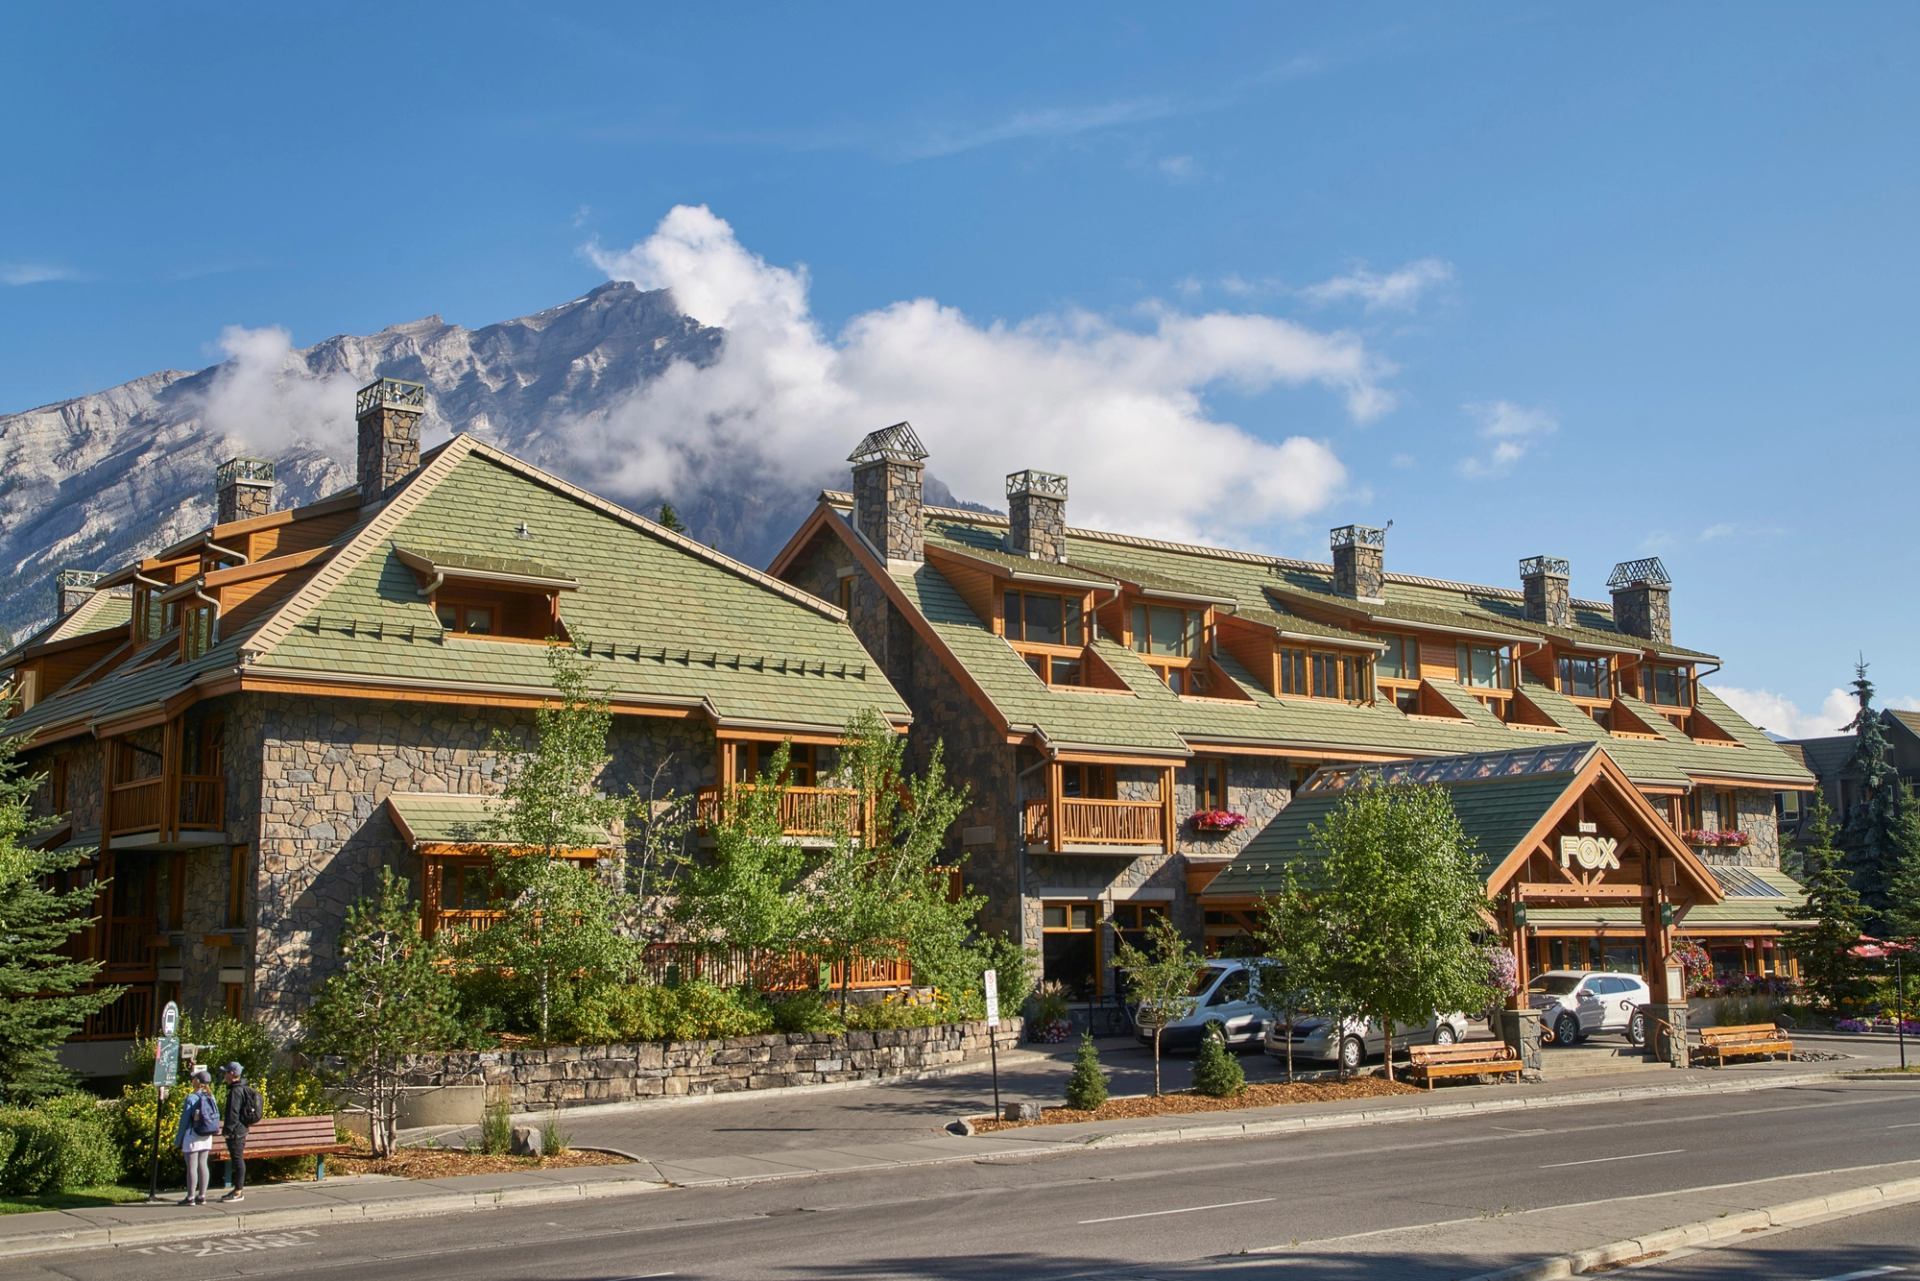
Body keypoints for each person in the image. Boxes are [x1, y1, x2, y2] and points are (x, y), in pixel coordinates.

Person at [174, 1068, 219, 1206]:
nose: (192, 1080)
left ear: (197, 1082)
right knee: (203, 1165)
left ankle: (190, 1197)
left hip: (192, 1135)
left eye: (194, 1078)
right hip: (206, 1136)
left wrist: (178, 1139)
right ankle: (202, 1196)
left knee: (192, 1167)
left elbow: (184, 1121)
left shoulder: (192, 1098)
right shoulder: (211, 1096)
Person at [219, 1061, 261, 1203]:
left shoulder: (235, 1091)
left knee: (237, 1160)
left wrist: (228, 1130)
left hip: (236, 1131)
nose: (224, 1075)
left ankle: (238, 1191)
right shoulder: (243, 1088)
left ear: (232, 1074)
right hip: (242, 1129)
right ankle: (237, 1189)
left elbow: (233, 1113)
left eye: (226, 1072)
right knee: (238, 1159)